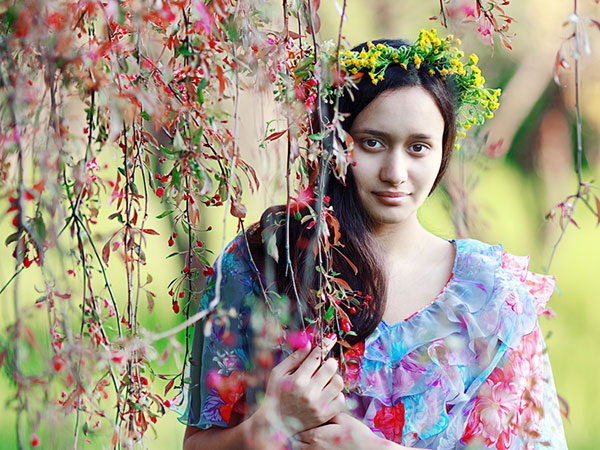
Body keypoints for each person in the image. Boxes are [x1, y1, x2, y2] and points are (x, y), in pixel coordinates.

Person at [178, 31, 568, 449]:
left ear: (443, 151)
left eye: (418, 147)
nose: (395, 173)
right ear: (333, 142)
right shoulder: (262, 266)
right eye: (372, 143)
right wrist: (272, 424)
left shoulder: (490, 300)